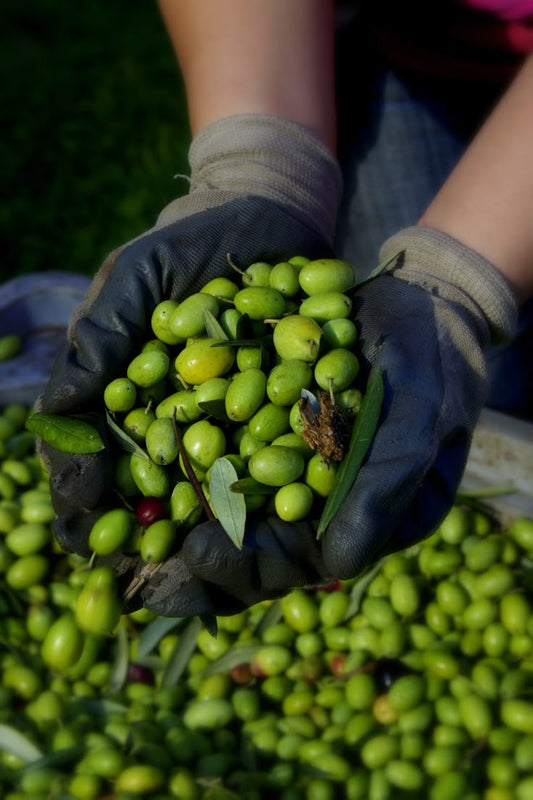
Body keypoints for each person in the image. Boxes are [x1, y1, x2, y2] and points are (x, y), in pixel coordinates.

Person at [39, 0, 533, 618]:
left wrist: (460, 284)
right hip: (397, 40)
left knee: (465, 384)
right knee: (458, 389)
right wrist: (261, 163)